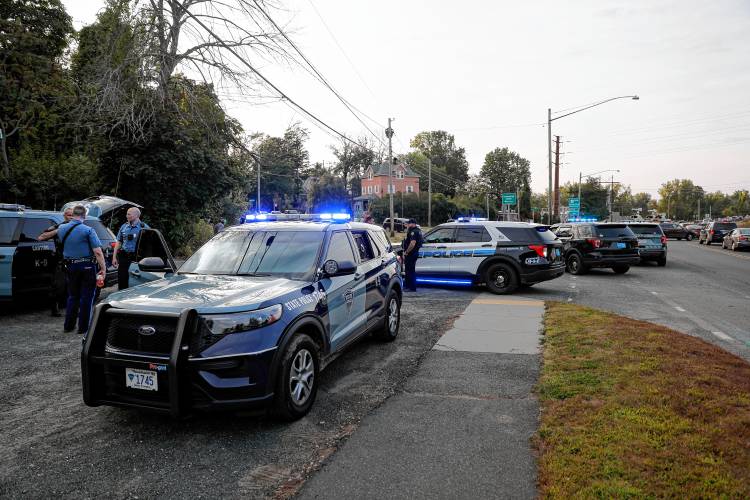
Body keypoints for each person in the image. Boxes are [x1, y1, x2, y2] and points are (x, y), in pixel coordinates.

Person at [57, 205, 106, 334]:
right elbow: (98, 252)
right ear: (84, 216)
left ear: (72, 214)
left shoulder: (61, 228)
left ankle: (68, 326)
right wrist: (103, 268)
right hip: (87, 266)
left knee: (72, 296)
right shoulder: (88, 230)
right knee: (87, 297)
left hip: (70, 266)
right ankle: (83, 328)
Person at [38, 207, 74, 316]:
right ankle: (55, 309)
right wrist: (58, 231)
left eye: (73, 215)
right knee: (58, 287)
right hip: (61, 261)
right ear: (64, 216)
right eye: (68, 215)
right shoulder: (58, 227)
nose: (71, 217)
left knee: (75, 287)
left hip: (75, 260)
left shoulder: (79, 227)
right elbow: (41, 237)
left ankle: (73, 310)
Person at [112, 207, 149, 290]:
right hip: (124, 257)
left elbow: (149, 245)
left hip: (137, 258)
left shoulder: (144, 227)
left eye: (129, 214)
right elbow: (119, 242)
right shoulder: (124, 226)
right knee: (122, 279)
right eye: (127, 214)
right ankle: (121, 298)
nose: (126, 216)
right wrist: (114, 257)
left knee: (136, 280)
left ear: (136, 215)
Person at [402, 219, 423, 292]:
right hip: (414, 253)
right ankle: (411, 287)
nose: (407, 225)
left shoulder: (413, 232)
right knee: (411, 270)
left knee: (409, 271)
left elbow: (412, 243)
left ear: (413, 224)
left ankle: (410, 287)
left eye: (409, 224)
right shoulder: (418, 231)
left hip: (411, 253)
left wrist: (406, 252)